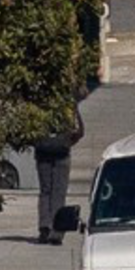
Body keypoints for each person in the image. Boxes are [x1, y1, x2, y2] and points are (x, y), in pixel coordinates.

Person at [31, 100, 80, 243]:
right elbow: (78, 129)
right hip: (61, 151)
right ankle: (57, 229)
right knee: (59, 191)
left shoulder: (38, 101)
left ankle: (44, 227)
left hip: (43, 150)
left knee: (45, 191)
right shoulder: (65, 103)